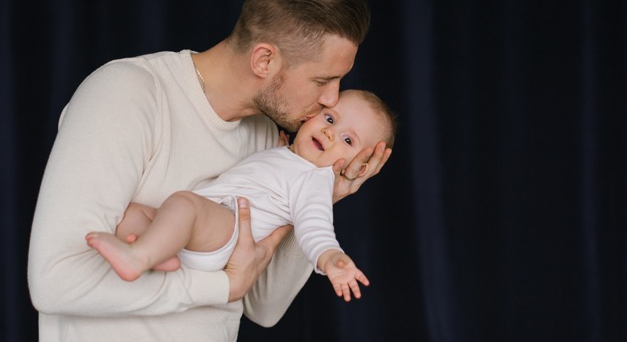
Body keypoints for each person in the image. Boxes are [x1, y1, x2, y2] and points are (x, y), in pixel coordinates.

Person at [28, 0, 392, 342]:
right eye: (323, 80)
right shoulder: (126, 95)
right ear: (264, 60)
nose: (332, 99)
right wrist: (218, 288)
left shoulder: (270, 142)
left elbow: (264, 308)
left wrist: (321, 192)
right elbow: (54, 282)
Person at [85, 89, 396, 302]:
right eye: (329, 119)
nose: (330, 132)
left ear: (359, 165)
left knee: (183, 203)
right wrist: (278, 151)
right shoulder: (286, 156)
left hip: (228, 234)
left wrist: (332, 260)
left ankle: (137, 258)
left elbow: (316, 228)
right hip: (211, 223)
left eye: (346, 139)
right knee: (136, 213)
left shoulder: (315, 181)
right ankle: (155, 254)